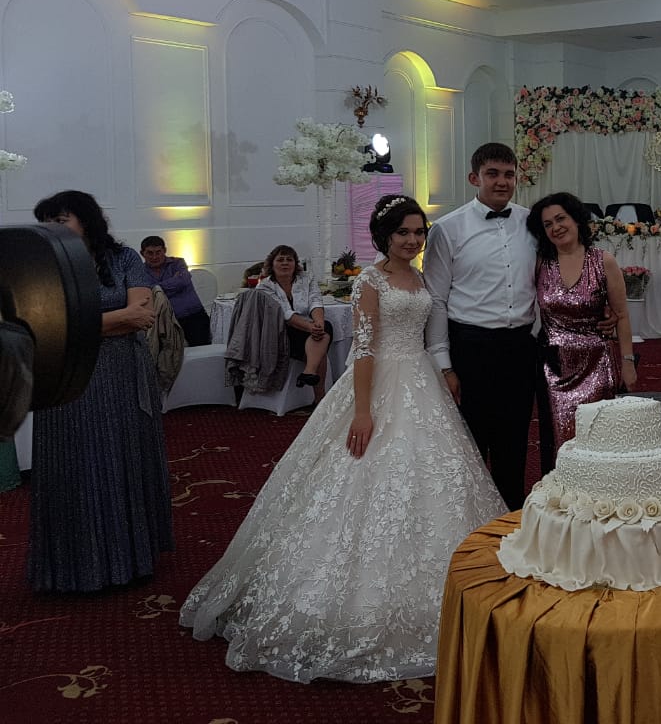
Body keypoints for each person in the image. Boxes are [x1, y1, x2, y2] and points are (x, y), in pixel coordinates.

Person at [180, 195, 507, 683]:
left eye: (419, 232)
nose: (413, 240)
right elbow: (365, 350)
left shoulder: (421, 278)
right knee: (359, 475)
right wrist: (363, 411)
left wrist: (443, 371)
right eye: (403, 233)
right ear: (385, 236)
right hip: (378, 384)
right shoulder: (369, 281)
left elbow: (428, 331)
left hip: (421, 382)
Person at [30, 190, 173, 592]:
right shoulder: (45, 265)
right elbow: (45, 327)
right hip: (66, 378)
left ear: (87, 220)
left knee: (120, 458)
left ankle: (130, 559)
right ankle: (73, 567)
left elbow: (142, 315)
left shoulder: (124, 259)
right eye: (47, 222)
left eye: (61, 220)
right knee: (72, 466)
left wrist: (78, 324)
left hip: (122, 375)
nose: (53, 228)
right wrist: (115, 317)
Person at [425, 142, 540, 510]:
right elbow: (436, 299)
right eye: (492, 174)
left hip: (520, 347)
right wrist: (444, 364)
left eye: (509, 174)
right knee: (470, 440)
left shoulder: (532, 223)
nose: (502, 182)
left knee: (515, 438)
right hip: (470, 346)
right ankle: (470, 518)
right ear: (474, 178)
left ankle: (510, 516)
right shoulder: (447, 229)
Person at [527, 191, 637, 448]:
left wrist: (628, 362)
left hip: (597, 364)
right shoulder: (540, 263)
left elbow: (621, 315)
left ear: (576, 219)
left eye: (560, 218)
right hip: (553, 367)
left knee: (598, 440)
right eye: (548, 224)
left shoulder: (604, 261)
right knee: (558, 442)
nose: (556, 227)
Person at [256, 244, 332, 404]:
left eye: (289, 259)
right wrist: (311, 327)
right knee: (320, 344)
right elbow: (284, 313)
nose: (285, 263)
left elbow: (315, 301)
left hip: (306, 330)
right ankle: (319, 397)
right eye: (280, 260)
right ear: (272, 264)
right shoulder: (264, 286)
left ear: (295, 263)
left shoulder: (306, 278)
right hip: (280, 332)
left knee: (325, 328)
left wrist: (318, 324)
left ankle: (309, 372)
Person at [139, 235, 212, 345]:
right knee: (166, 354)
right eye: (150, 253)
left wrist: (155, 288)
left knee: (203, 351)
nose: (154, 257)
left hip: (193, 316)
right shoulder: (139, 272)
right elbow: (144, 293)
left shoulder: (178, 263)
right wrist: (174, 282)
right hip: (161, 322)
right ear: (142, 253)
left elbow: (183, 281)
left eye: (158, 252)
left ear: (164, 250)